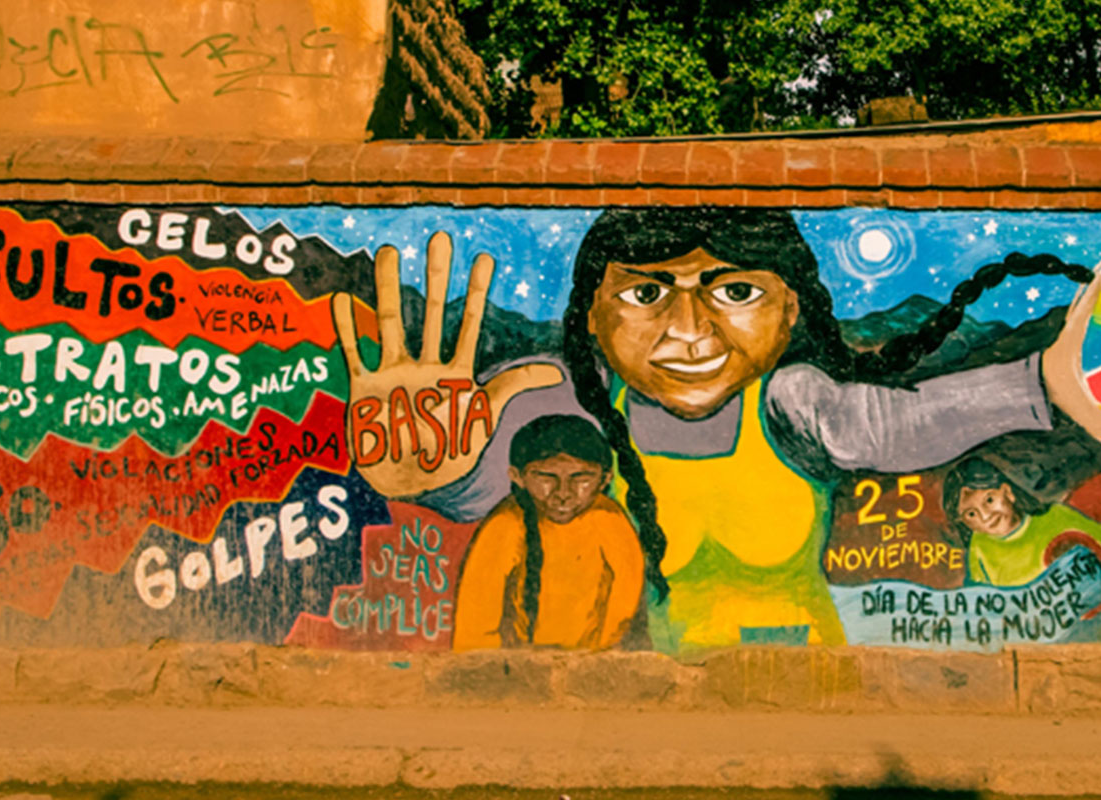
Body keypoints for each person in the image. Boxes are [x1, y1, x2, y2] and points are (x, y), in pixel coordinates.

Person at [332, 207, 1101, 652]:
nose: (689, 333)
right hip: (637, 710)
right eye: (644, 295)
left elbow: (895, 424)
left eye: (735, 292)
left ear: (792, 309)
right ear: (591, 316)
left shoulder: (790, 403)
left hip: (802, 700)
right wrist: (431, 474)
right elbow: (486, 474)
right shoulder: (569, 400)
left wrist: (1040, 385)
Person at [451, 415, 643, 650]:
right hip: (514, 672)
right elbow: (474, 629)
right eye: (545, 477)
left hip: (592, 669)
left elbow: (621, 613)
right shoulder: (504, 525)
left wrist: (593, 664)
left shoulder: (611, 522)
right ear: (517, 477)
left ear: (605, 479)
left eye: (581, 478)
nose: (563, 493)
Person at [944, 457, 1101, 587]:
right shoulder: (978, 545)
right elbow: (979, 596)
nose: (985, 516)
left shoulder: (1056, 517)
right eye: (971, 514)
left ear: (1007, 492)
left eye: (989, 500)